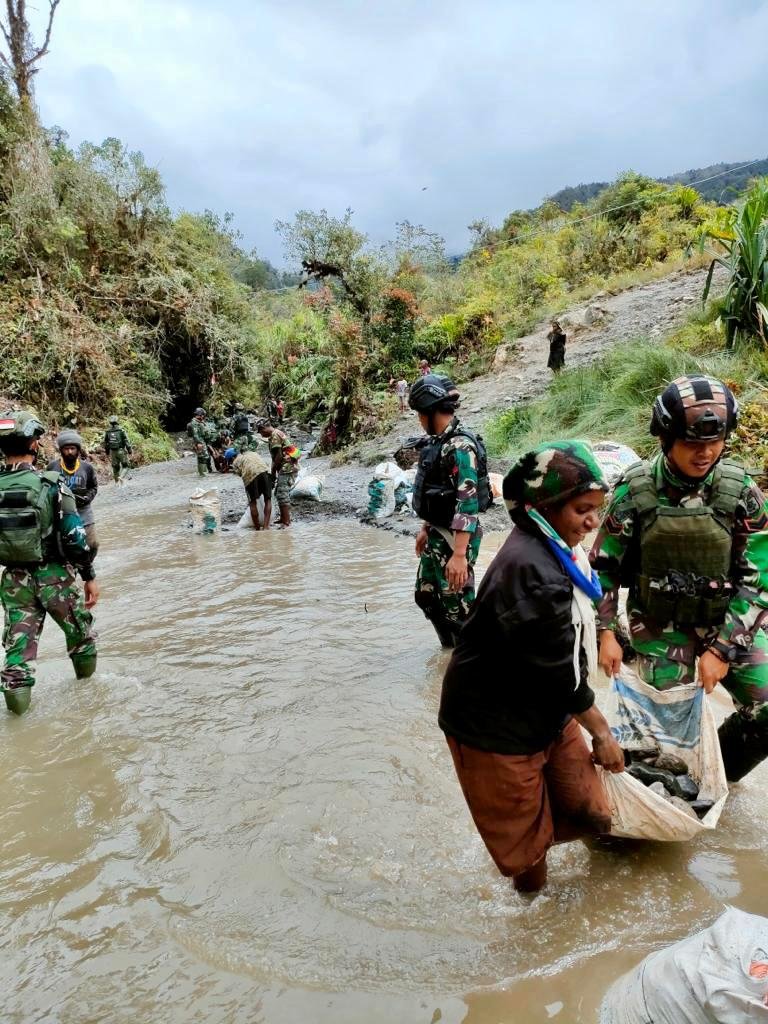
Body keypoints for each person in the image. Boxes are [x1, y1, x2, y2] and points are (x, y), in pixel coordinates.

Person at [439, 440, 624, 892]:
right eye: (582, 509)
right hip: (493, 726)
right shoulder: (533, 572)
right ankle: (535, 916)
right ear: (547, 506)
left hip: (545, 706)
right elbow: (560, 671)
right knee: (527, 852)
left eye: (597, 509)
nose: (592, 521)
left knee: (590, 809)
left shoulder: (557, 546)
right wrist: (602, 732)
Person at [590, 374, 768, 783]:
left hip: (730, 626)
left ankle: (715, 773)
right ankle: (671, 781)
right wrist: (606, 633)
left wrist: (723, 650)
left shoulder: (741, 493)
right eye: (693, 443)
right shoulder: (634, 493)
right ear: (666, 438)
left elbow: (760, 580)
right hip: (659, 630)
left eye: (715, 442)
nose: (705, 453)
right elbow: (603, 569)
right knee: (659, 749)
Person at [0, 411, 99, 715]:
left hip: (14, 581)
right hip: (55, 576)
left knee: (17, 658)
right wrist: (88, 575)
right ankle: (89, 704)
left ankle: (18, 726)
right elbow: (75, 538)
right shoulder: (52, 484)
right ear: (33, 443)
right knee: (81, 638)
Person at [409, 374, 491, 648]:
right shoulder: (437, 443)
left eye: (421, 414)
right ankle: (448, 655)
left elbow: (467, 503)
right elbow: (434, 492)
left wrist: (459, 555)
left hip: (455, 541)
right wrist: (425, 528)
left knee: (458, 609)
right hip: (436, 535)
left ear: (432, 412)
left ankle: (471, 660)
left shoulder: (460, 448)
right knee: (427, 596)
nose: (419, 421)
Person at [48, 430, 100, 558]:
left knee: (93, 544)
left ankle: (88, 565)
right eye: (66, 449)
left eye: (72, 448)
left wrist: (88, 497)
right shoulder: (52, 467)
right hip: (62, 513)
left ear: (78, 450)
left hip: (84, 511)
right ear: (61, 450)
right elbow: (47, 489)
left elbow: (93, 487)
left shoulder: (87, 467)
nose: (70, 452)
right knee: (63, 546)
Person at [256, 420, 300, 527]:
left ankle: (286, 522)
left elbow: (279, 456)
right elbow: (276, 456)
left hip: (287, 468)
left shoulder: (275, 436)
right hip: (286, 467)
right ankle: (283, 518)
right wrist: (274, 471)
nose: (261, 434)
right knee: (278, 493)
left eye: (261, 432)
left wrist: (273, 470)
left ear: (264, 428)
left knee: (282, 494)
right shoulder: (277, 433)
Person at [231, 449, 273, 530]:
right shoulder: (253, 453)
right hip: (265, 473)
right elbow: (264, 463)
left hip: (250, 478)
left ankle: (257, 528)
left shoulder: (235, 461)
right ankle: (266, 526)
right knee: (267, 500)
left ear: (232, 458)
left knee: (252, 503)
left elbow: (239, 473)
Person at [103, 415, 132, 484]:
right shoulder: (121, 430)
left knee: (115, 468)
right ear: (117, 422)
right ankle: (121, 477)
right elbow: (126, 441)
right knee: (126, 466)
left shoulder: (108, 432)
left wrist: (107, 452)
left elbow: (106, 443)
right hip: (121, 451)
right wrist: (129, 450)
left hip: (112, 452)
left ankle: (116, 483)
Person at [187, 407, 215, 476]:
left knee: (202, 457)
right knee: (203, 456)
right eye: (203, 415)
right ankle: (203, 473)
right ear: (200, 415)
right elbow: (195, 434)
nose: (203, 416)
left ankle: (202, 473)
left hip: (202, 441)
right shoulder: (194, 423)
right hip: (200, 442)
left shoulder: (199, 422)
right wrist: (198, 443)